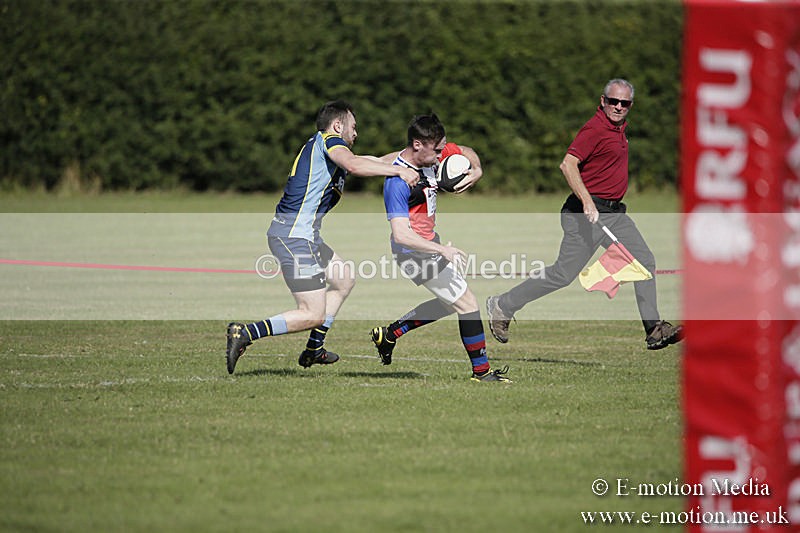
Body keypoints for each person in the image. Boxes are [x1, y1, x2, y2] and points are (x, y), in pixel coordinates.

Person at [485, 79, 683, 351]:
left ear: (630, 106)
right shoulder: (595, 128)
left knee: (644, 261)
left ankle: (655, 329)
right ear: (602, 101)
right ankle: (503, 304)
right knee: (563, 274)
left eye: (624, 103)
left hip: (613, 214)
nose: (618, 107)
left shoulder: (619, 128)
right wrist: (588, 202)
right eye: (613, 101)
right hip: (585, 214)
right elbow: (567, 165)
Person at [225, 100, 419, 374]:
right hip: (293, 236)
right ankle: (244, 333)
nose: (356, 133)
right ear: (337, 125)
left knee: (344, 279)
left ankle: (314, 348)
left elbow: (373, 161)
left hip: (304, 236)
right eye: (354, 127)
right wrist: (400, 170)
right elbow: (355, 165)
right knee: (311, 313)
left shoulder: (333, 151)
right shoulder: (329, 141)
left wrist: (414, 154)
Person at [369, 113, 512, 383]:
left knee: (450, 304)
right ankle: (481, 373)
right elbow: (401, 235)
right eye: (436, 150)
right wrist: (442, 251)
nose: (440, 156)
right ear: (417, 145)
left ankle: (389, 335)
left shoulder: (433, 152)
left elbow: (467, 152)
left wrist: (477, 170)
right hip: (413, 251)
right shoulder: (397, 181)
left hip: (430, 245)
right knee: (467, 303)